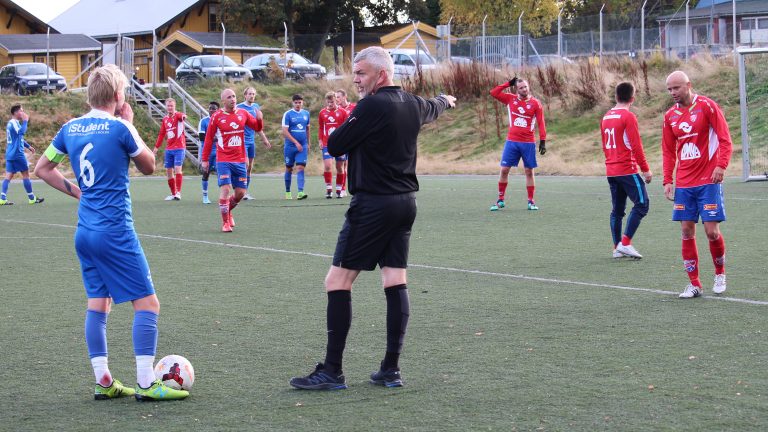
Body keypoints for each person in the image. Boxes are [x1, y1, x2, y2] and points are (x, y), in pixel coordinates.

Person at [289, 46, 456, 390]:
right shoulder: (413, 103)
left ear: (381, 74)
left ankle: (332, 371)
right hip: (405, 204)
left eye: (361, 73)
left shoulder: (371, 106)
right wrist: (446, 99)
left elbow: (336, 144)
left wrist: (357, 119)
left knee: (337, 281)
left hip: (373, 205)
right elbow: (434, 106)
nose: (356, 80)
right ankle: (390, 370)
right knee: (394, 279)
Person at [33, 64, 188, 401]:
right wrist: (130, 124)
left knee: (98, 304)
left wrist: (79, 193)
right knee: (148, 304)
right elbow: (149, 165)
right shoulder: (120, 127)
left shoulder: (70, 128)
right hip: (115, 231)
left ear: (90, 94)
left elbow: (42, 169)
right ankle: (146, 384)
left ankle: (103, 381)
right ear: (119, 96)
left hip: (85, 232)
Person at [662, 71, 732, 299]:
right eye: (669, 89)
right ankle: (694, 284)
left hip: (708, 180)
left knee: (711, 232)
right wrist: (668, 180)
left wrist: (721, 165)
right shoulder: (669, 116)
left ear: (688, 85)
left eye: (676, 88)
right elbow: (668, 151)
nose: (673, 92)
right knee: (686, 231)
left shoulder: (707, 106)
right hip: (684, 182)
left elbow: (725, 139)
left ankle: (720, 274)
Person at [600, 82, 652, 259]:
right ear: (632, 98)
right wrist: (645, 170)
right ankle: (626, 243)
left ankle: (617, 248)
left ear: (616, 97)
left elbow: (604, 145)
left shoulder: (606, 116)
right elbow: (636, 146)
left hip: (611, 170)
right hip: (626, 169)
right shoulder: (628, 116)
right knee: (642, 204)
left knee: (617, 210)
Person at [201, 88, 264, 232]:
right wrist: (205, 159)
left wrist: (260, 119)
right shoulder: (217, 116)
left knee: (240, 193)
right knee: (226, 189)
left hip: (240, 159)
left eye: (234, 96)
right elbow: (208, 139)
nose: (233, 99)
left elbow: (256, 127)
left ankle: (228, 210)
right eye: (229, 97)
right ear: (223, 100)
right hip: (223, 159)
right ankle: (225, 223)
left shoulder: (243, 113)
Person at [488, 77, 547, 211]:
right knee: (504, 170)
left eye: (525, 87)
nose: (524, 89)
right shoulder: (510, 99)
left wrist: (543, 141)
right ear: (516, 89)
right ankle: (500, 200)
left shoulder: (536, 103)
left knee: (529, 171)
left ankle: (531, 201)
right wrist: (508, 83)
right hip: (512, 142)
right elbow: (493, 92)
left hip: (528, 143)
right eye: (521, 87)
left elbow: (541, 122)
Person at [1, 104, 44, 205]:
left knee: (8, 176)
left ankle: (2, 199)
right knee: (26, 174)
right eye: (21, 111)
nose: (23, 113)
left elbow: (18, 138)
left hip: (10, 154)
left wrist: (28, 146)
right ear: (16, 113)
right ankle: (32, 198)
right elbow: (21, 132)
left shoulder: (11, 123)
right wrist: (25, 121)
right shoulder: (14, 123)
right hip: (17, 154)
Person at [236, 87, 272, 200]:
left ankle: (244, 192)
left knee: (249, 167)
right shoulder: (239, 107)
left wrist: (264, 139)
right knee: (245, 164)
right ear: (245, 95)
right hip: (241, 141)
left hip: (251, 141)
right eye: (250, 94)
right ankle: (239, 190)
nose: (252, 96)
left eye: (253, 94)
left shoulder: (256, 107)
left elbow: (258, 126)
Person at [153, 98, 187, 200]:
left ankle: (178, 193)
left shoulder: (178, 115)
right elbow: (161, 134)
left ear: (174, 106)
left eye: (171, 106)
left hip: (179, 147)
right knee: (168, 171)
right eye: (168, 106)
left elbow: (182, 116)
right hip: (169, 148)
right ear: (166, 106)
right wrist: (156, 147)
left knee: (177, 168)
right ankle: (173, 193)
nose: (170, 107)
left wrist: (183, 116)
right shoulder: (165, 119)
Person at [318, 91, 348, 198]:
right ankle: (329, 189)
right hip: (327, 143)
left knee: (340, 167)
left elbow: (346, 128)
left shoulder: (343, 112)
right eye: (328, 102)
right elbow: (321, 128)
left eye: (332, 102)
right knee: (327, 166)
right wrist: (320, 140)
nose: (330, 104)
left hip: (340, 144)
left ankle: (339, 190)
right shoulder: (322, 113)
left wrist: (345, 142)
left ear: (336, 100)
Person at [282, 94, 310, 200]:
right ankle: (288, 192)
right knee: (289, 168)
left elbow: (307, 129)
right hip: (290, 146)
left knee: (300, 167)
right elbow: (285, 131)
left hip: (302, 146)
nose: (298, 104)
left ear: (302, 103)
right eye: (296, 102)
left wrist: (308, 143)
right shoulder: (288, 114)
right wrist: (295, 142)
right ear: (293, 103)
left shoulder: (306, 114)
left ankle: (300, 192)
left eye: (300, 102)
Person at [198, 101, 220, 204]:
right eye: (210, 108)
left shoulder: (221, 120)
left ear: (218, 110)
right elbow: (201, 137)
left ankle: (224, 196)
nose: (211, 110)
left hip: (219, 152)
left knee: (221, 173)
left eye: (213, 108)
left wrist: (214, 137)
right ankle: (205, 196)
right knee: (206, 174)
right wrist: (215, 137)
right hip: (207, 152)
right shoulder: (204, 121)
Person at [335, 89, 356, 197]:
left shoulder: (354, 107)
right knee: (341, 166)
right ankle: (342, 188)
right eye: (336, 97)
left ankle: (351, 188)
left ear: (345, 96)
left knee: (350, 165)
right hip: (342, 140)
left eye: (338, 97)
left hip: (352, 140)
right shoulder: (336, 110)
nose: (336, 99)